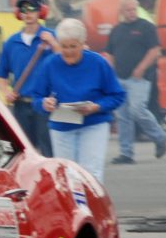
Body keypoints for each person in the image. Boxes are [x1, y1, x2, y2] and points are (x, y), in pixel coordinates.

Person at [29, 18, 125, 183]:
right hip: (62, 126)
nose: (68, 51)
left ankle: (92, 207)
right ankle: (71, 208)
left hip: (93, 124)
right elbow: (36, 97)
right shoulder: (50, 64)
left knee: (91, 173)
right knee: (66, 175)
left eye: (73, 46)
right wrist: (44, 103)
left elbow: (117, 95)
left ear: (82, 44)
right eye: (64, 46)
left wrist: (97, 106)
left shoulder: (98, 63)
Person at [0, 0, 59, 156]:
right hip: (21, 105)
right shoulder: (11, 42)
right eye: (24, 9)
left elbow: (64, 59)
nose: (28, 13)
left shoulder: (51, 37)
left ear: (40, 11)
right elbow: (1, 74)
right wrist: (6, 92)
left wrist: (53, 43)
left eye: (32, 8)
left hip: (45, 104)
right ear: (19, 13)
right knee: (23, 152)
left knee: (47, 151)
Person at [107, 0, 166, 165]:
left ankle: (160, 137)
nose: (132, 12)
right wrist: (111, 73)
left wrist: (141, 68)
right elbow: (110, 53)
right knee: (123, 116)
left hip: (140, 79)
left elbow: (155, 50)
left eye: (134, 9)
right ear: (121, 11)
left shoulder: (146, 27)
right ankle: (126, 153)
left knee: (137, 110)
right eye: (128, 10)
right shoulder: (116, 30)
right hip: (120, 78)